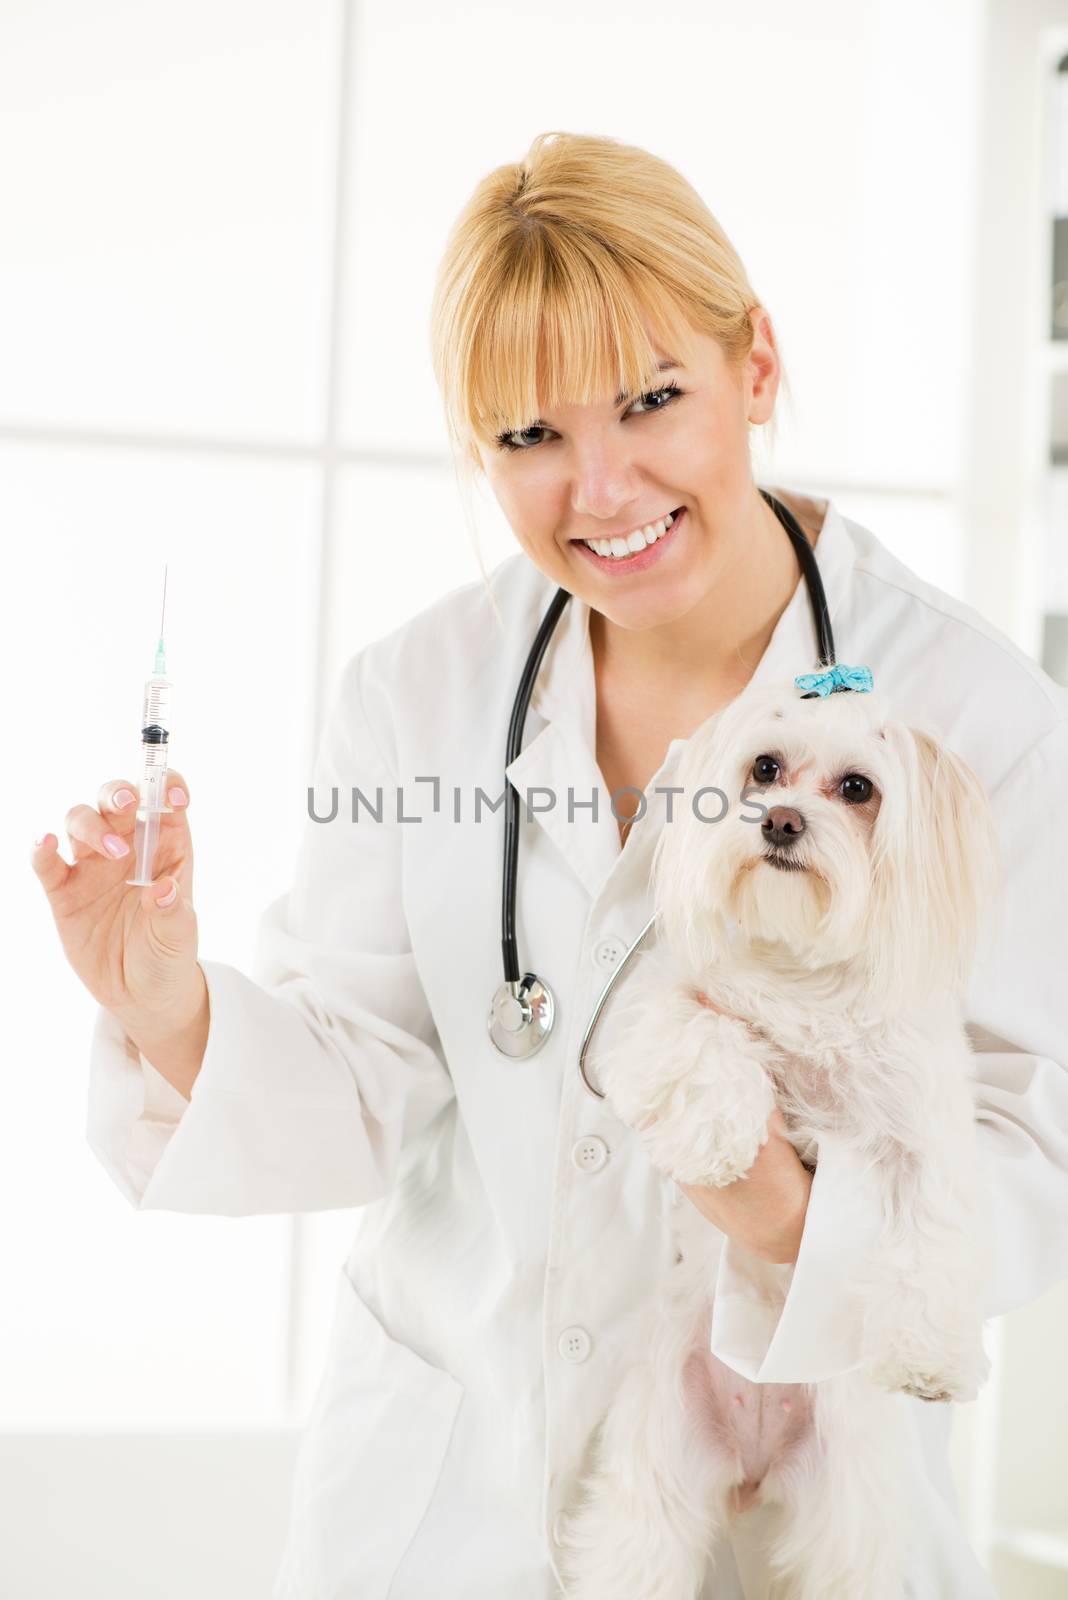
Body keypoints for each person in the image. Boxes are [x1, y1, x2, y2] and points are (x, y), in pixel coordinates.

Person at [31, 130, 1068, 1600]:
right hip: (453, 1500)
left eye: (655, 399)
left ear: (756, 365)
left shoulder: (977, 716)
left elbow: (1036, 1155)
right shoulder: (419, 691)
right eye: (528, 436)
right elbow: (358, 1077)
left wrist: (781, 1215)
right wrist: (163, 1009)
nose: (601, 486)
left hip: (800, 1519)